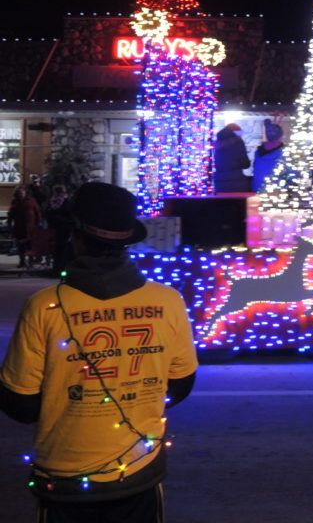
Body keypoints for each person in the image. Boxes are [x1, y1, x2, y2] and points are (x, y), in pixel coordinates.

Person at [0, 182, 197, 522]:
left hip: (65, 477)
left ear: (75, 237)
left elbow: (20, 404)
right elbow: (179, 386)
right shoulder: (168, 301)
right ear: (127, 240)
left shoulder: (44, 306)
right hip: (138, 470)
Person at [8, 184, 42, 269]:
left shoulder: (31, 200)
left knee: (30, 245)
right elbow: (11, 213)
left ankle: (31, 261)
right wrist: (9, 222)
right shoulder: (15, 201)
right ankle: (22, 261)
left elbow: (37, 212)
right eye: (19, 193)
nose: (20, 194)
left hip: (31, 226)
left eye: (21, 192)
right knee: (20, 246)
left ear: (25, 192)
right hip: (19, 226)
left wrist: (38, 223)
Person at [43, 184, 75, 277]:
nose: (57, 195)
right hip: (55, 230)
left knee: (63, 250)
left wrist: (60, 220)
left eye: (59, 192)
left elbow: (70, 216)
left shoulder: (66, 202)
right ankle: (57, 269)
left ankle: (62, 270)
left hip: (64, 230)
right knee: (57, 251)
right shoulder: (52, 202)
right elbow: (47, 214)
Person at [213, 122, 251, 193]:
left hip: (220, 180)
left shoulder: (217, 143)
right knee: (236, 203)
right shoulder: (238, 142)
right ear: (237, 133)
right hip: (236, 180)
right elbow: (245, 164)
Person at [251, 119, 285, 193]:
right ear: (280, 136)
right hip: (276, 192)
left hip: (257, 190)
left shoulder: (258, 152)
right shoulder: (283, 154)